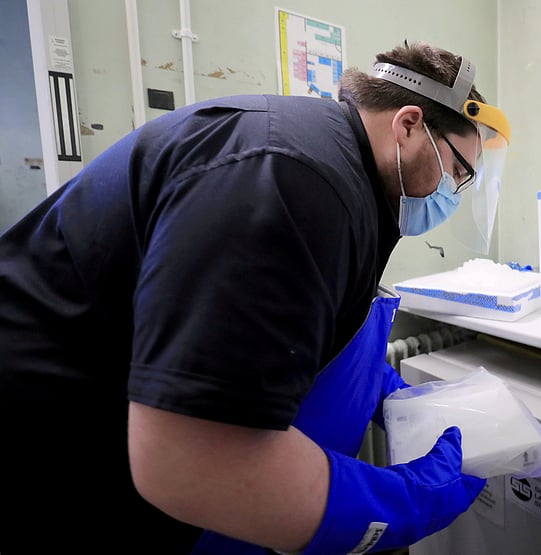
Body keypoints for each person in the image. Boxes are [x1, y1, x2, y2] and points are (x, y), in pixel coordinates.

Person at [0, 40, 510, 554]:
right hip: (46, 451)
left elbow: (290, 329)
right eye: (459, 171)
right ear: (407, 125)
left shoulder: (339, 169)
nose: (453, 190)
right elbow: (193, 460)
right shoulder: (293, 180)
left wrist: (387, 389)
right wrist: (406, 505)